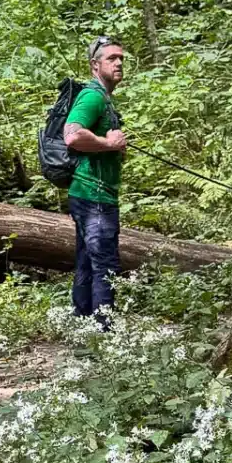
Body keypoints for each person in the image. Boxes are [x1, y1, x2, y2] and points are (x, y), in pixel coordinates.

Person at [63, 36, 128, 320]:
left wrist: (114, 147)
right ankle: (103, 334)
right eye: (112, 58)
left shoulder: (104, 98)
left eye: (121, 59)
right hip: (94, 197)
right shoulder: (92, 96)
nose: (118, 63)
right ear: (94, 65)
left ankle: (83, 325)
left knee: (88, 263)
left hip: (91, 194)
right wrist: (109, 144)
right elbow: (73, 135)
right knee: (105, 266)